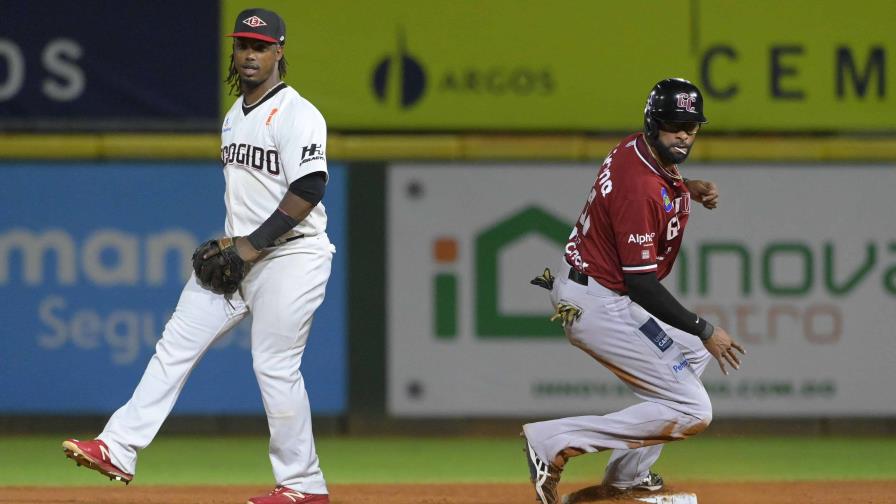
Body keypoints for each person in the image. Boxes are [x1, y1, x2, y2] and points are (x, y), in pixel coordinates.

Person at [62, 8, 333, 504]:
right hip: (241, 257)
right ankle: (119, 447)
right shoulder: (233, 116)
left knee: (274, 364)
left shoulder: (298, 113)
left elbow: (310, 187)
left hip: (294, 257)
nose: (249, 54)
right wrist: (237, 245)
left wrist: (250, 246)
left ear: (279, 52)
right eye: (242, 45)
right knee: (174, 345)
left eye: (260, 46)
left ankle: (303, 486)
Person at [523, 78, 745, 504]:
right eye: (674, 124)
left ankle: (627, 477)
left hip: (589, 289)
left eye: (691, 125)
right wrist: (705, 329)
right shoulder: (642, 189)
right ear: (653, 123)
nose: (683, 133)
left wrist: (686, 187)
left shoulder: (636, 149)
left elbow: (652, 182)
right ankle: (551, 441)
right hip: (596, 303)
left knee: (691, 358)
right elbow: (641, 283)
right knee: (695, 411)